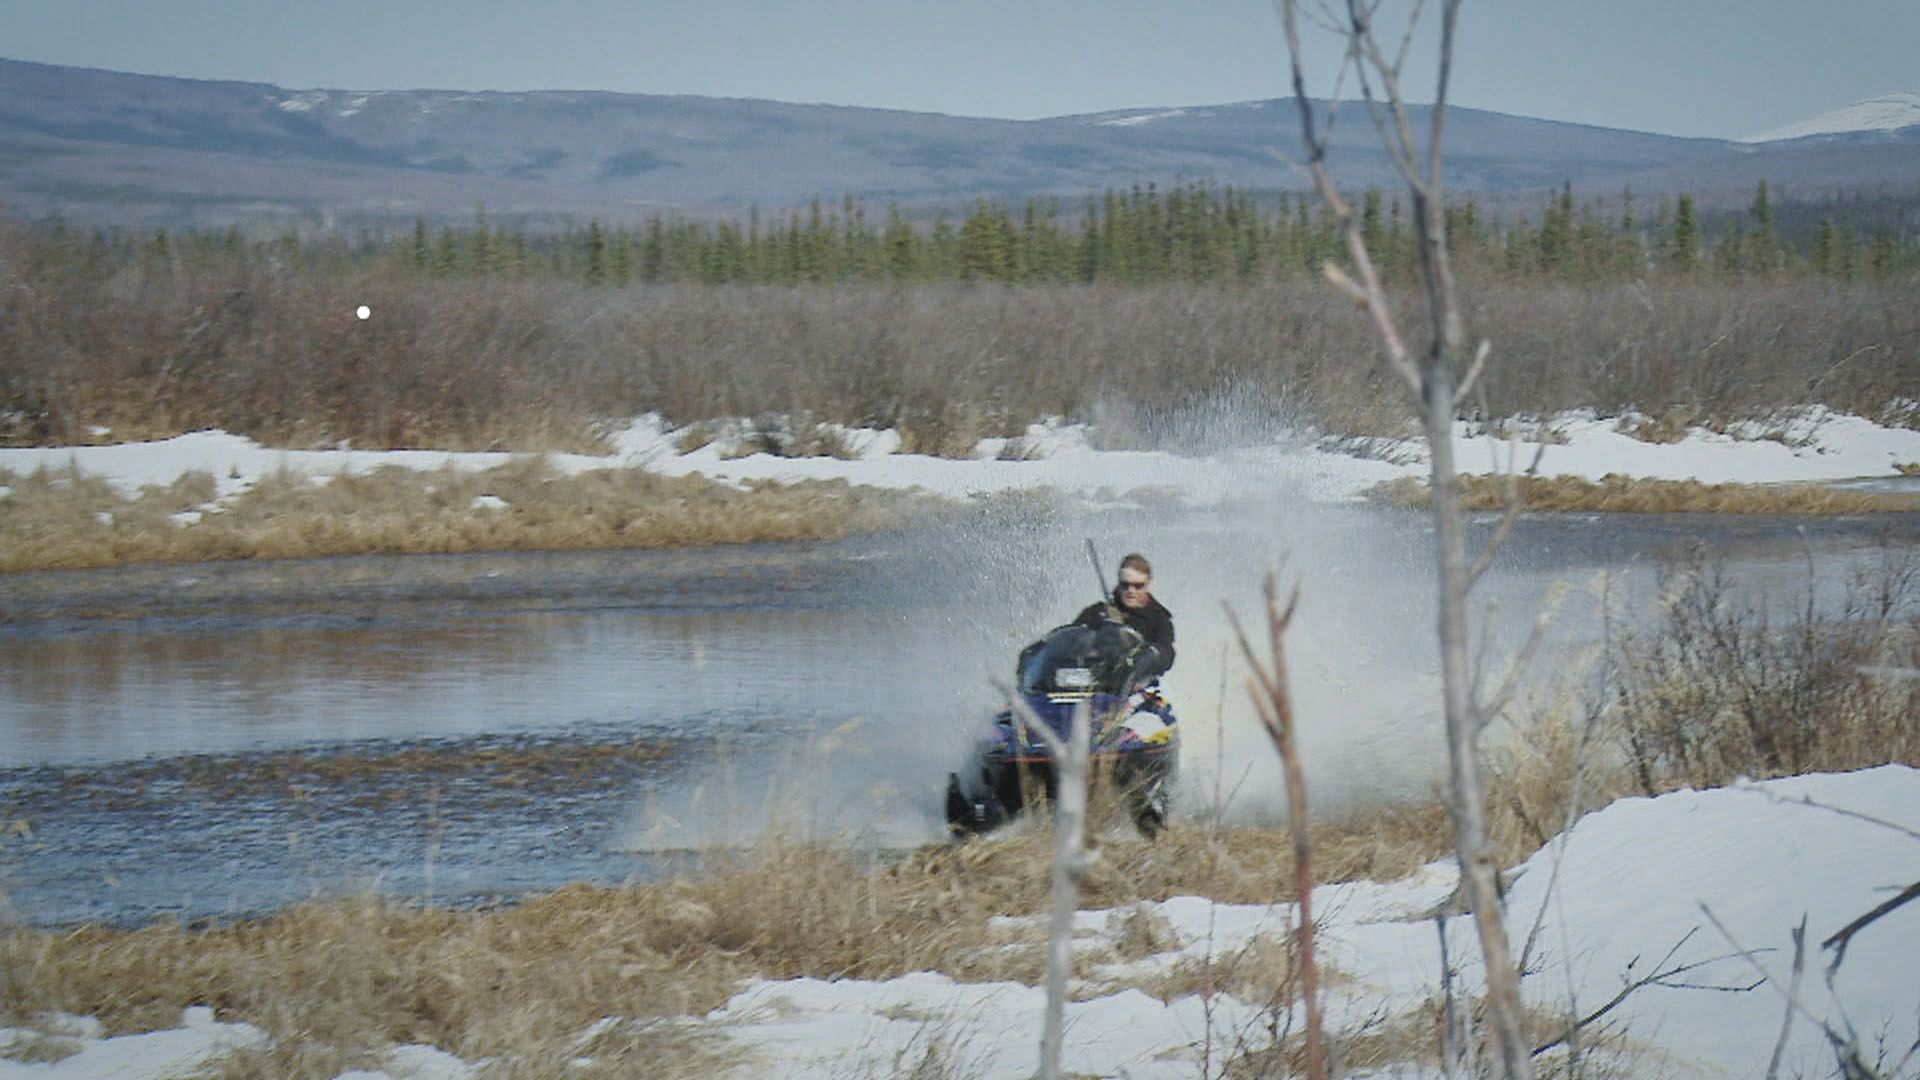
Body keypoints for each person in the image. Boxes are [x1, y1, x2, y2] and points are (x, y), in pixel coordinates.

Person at [1074, 552, 1174, 681]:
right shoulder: (1097, 613)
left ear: (1148, 584)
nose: (1131, 591)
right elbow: (1071, 637)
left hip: (1140, 685)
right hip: (1096, 683)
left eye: (1138, 586)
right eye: (1125, 585)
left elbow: (1167, 653)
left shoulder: (1159, 619)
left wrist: (1149, 658)